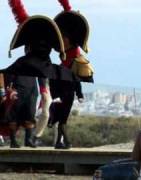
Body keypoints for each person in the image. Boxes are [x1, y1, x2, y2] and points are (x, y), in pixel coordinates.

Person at [2, 0, 71, 148]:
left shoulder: (44, 65)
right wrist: (10, 89)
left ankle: (29, 140)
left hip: (31, 87)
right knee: (14, 114)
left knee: (29, 113)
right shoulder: (22, 63)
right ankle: (14, 141)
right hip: (19, 87)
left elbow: (43, 75)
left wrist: (44, 90)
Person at [48, 0, 94, 149]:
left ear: (68, 40)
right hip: (60, 95)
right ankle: (61, 142)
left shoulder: (79, 62)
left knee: (63, 120)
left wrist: (79, 94)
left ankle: (63, 142)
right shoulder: (63, 62)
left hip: (67, 95)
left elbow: (79, 80)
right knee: (62, 119)